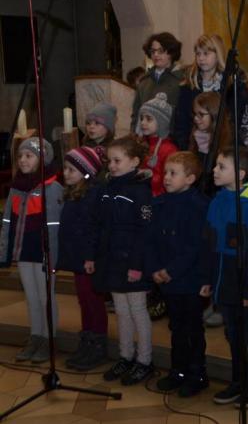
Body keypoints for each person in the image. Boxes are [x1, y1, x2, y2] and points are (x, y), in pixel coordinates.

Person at [201, 148, 248, 408]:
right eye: (216, 166)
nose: (214, 171)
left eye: (221, 167)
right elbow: (209, 245)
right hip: (223, 278)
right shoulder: (217, 201)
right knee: (233, 334)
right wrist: (208, 278)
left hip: (244, 281)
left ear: (240, 174)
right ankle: (238, 380)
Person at [88, 136, 155, 385]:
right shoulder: (107, 189)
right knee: (122, 312)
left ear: (135, 162)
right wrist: (93, 256)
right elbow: (99, 225)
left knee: (137, 311)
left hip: (133, 262)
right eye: (109, 161)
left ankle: (145, 360)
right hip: (112, 261)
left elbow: (145, 232)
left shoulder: (140, 191)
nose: (112, 165)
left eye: (118, 160)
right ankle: (125, 356)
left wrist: (137, 265)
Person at [146, 152, 210, 397]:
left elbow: (195, 246)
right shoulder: (158, 204)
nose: (166, 178)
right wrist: (154, 268)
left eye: (174, 173)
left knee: (192, 328)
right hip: (166, 280)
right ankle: (178, 371)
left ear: (191, 178)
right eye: (165, 172)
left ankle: (197, 373)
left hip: (189, 278)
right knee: (176, 327)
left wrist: (170, 271)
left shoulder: (199, 206)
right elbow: (150, 239)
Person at [0, 138, 63, 363]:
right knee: (31, 297)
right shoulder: (16, 189)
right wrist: (5, 252)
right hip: (24, 251)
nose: (23, 160)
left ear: (42, 159)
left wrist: (53, 257)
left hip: (45, 253)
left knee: (47, 297)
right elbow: (8, 221)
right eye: (20, 156)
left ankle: (49, 339)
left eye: (29, 156)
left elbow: (55, 227)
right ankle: (35, 336)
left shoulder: (53, 188)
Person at [58, 147, 108, 371]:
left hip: (89, 260)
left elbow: (93, 229)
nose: (66, 174)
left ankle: (98, 345)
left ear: (86, 172)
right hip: (77, 258)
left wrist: (89, 256)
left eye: (71, 170)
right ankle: (86, 341)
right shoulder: (74, 192)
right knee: (83, 301)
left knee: (93, 302)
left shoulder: (93, 194)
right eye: (65, 169)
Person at [174, 34, 247, 150]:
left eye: (206, 53)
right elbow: (181, 121)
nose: (201, 58)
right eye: (198, 54)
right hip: (194, 146)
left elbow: (235, 119)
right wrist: (185, 146)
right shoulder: (188, 85)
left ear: (218, 55)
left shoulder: (230, 85)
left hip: (223, 146)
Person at [131, 32, 185, 134]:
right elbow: (136, 114)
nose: (156, 55)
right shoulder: (144, 82)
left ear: (171, 53)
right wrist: (134, 135)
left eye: (161, 51)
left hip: (172, 139)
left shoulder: (181, 80)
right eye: (153, 51)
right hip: (146, 139)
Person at [136, 92, 179, 196]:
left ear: (162, 123)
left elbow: (168, 182)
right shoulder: (141, 144)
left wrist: (148, 176)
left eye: (149, 119)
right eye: (141, 118)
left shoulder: (170, 150)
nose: (143, 122)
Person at [188, 91, 233, 188]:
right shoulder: (195, 135)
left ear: (214, 114)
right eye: (195, 114)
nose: (196, 118)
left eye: (201, 114)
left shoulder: (229, 142)